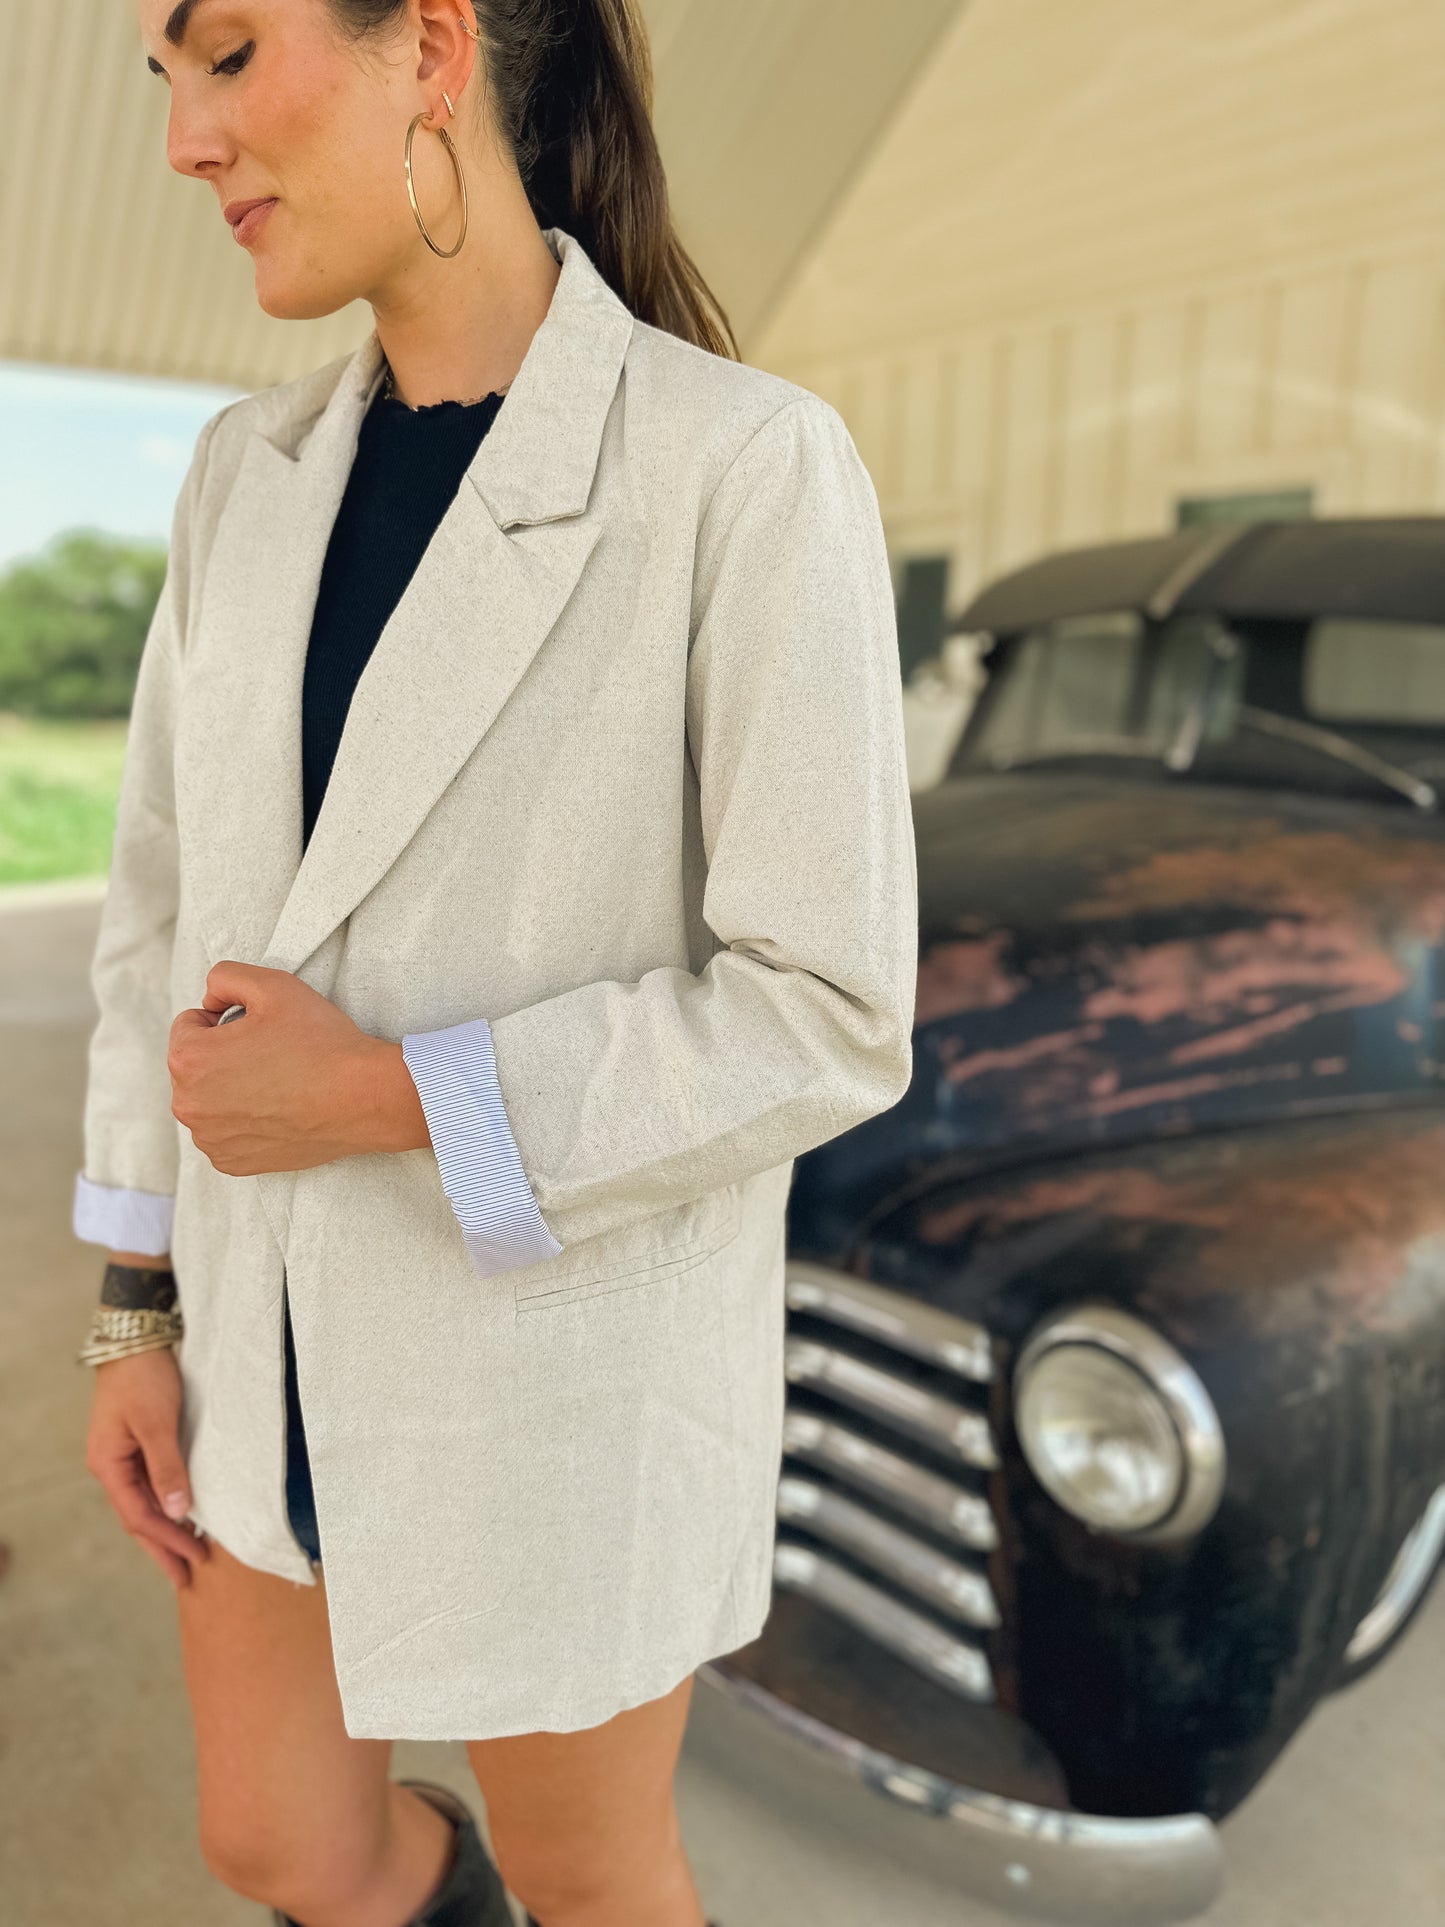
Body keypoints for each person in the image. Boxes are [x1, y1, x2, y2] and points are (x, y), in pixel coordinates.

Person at [74, 3, 919, 1924]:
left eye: (227, 58)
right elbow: (157, 904)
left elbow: (828, 1002)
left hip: (554, 1366)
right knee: (276, 1840)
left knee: (594, 1882)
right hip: (256, 1332)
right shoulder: (242, 476)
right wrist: (138, 1309)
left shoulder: (741, 467)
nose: (188, 141)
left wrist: (385, 1096)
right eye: (167, 86)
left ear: (430, 48)